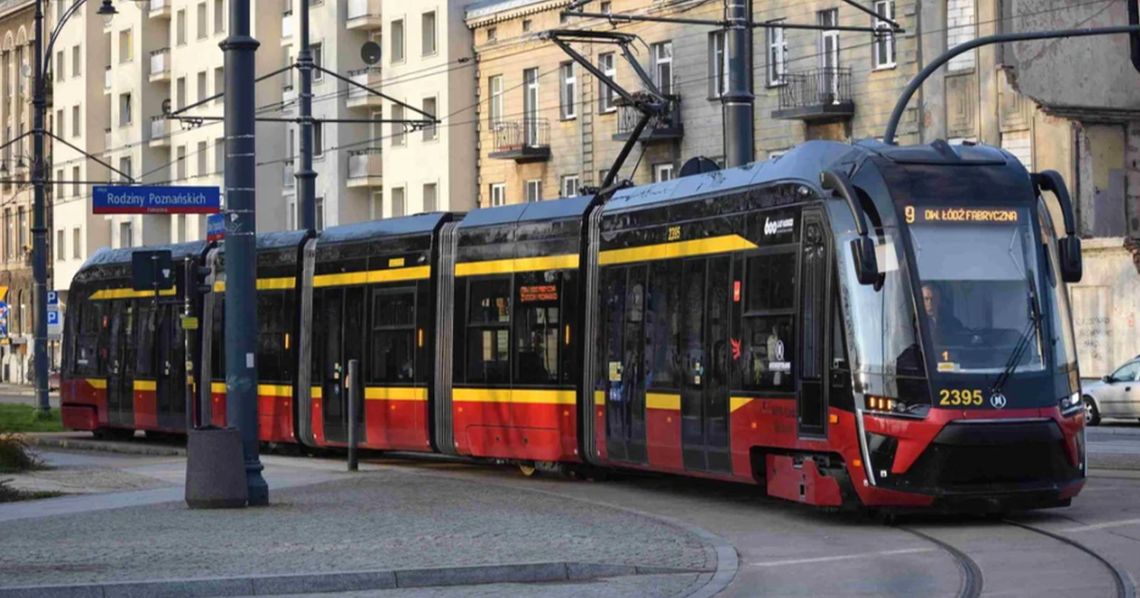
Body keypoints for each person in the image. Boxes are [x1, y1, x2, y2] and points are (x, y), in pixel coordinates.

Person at [922, 283, 965, 351]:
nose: (930, 303)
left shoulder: (952, 322)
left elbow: (961, 339)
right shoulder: (914, 323)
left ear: (939, 300)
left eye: (933, 299)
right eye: (926, 299)